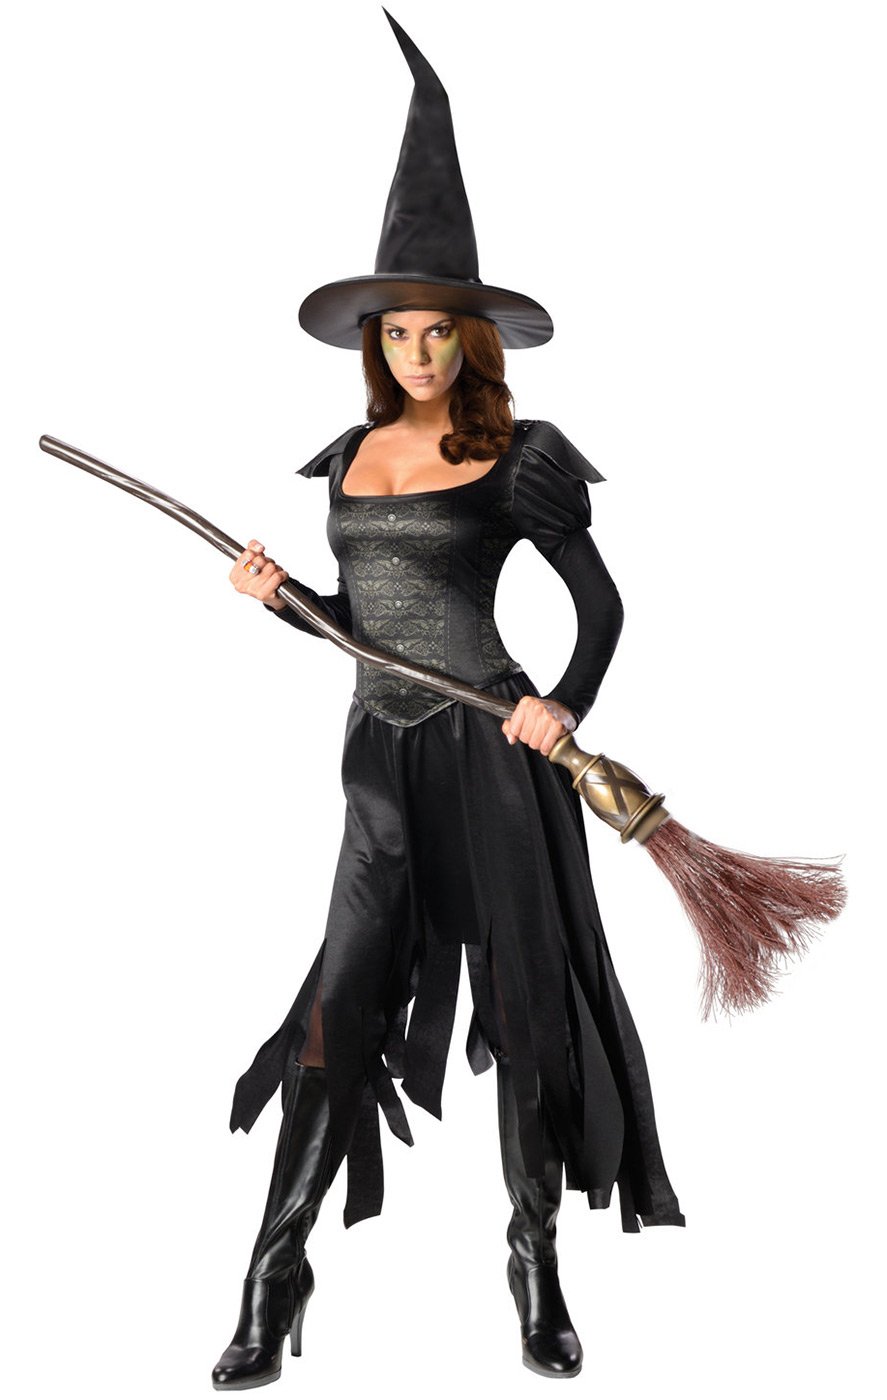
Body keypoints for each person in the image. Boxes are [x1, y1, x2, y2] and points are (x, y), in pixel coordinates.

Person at [211, 14, 684, 1392]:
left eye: (439, 330)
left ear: (472, 337)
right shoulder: (354, 454)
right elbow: (360, 624)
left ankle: (535, 1266)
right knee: (340, 1004)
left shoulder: (520, 455)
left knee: (527, 1010)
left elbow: (601, 610)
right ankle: (273, 1274)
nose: (419, 351)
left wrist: (561, 710)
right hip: (378, 761)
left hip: (494, 755)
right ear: (379, 341)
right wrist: (282, 598)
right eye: (400, 332)